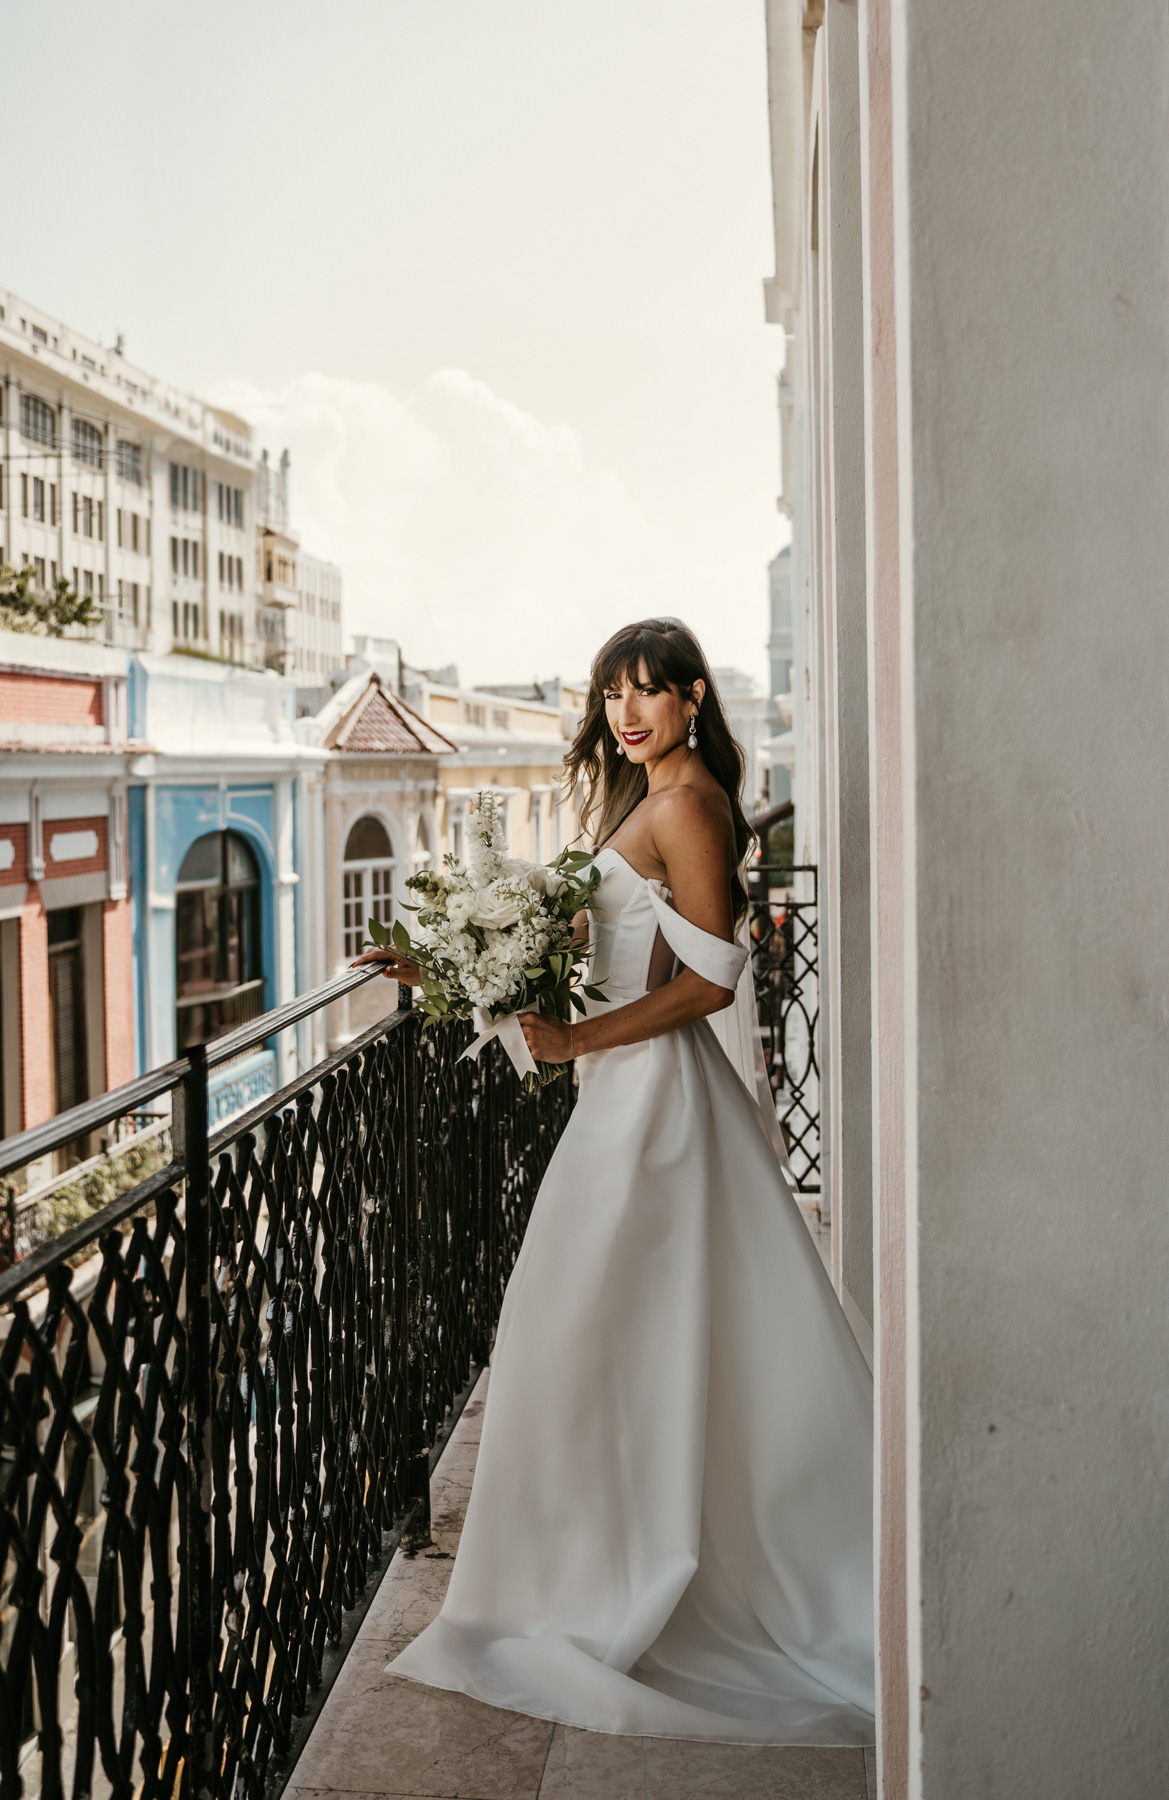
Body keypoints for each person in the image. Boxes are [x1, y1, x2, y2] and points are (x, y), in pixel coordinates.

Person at [351, 618, 874, 1744]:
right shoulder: (644, 796)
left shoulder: (687, 804)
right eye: (612, 696)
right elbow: (567, 940)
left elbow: (717, 979)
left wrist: (578, 1046)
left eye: (648, 693)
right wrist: (432, 960)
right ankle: (597, 1564)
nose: (626, 713)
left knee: (584, 1330)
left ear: (692, 698)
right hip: (620, 1101)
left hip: (653, 1107)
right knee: (602, 1340)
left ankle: (612, 1580)